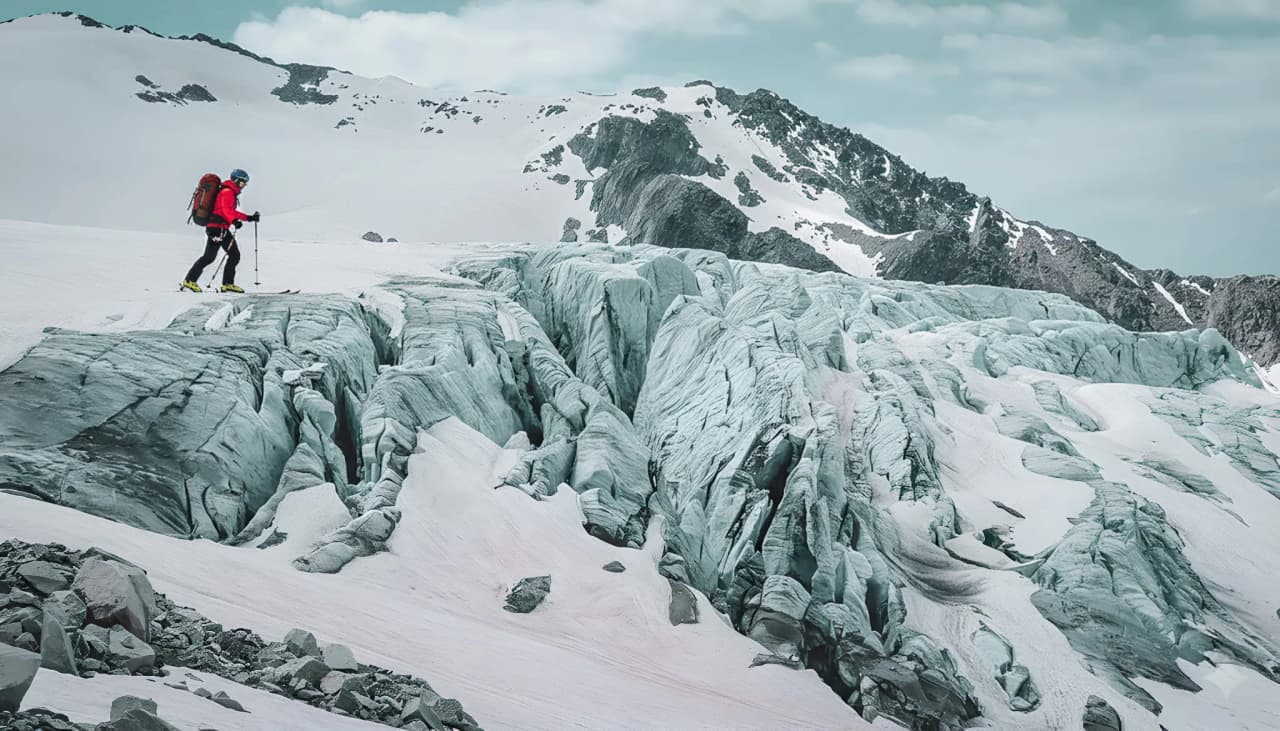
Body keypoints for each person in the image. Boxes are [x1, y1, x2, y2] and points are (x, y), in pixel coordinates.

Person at [180, 169, 260, 293]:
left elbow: (224, 210)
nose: (243, 186)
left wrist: (237, 220)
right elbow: (226, 210)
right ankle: (226, 284)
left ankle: (190, 281)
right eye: (242, 183)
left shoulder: (227, 191)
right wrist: (245, 218)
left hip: (216, 228)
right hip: (219, 228)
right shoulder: (227, 191)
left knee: (209, 257)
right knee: (233, 255)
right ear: (237, 180)